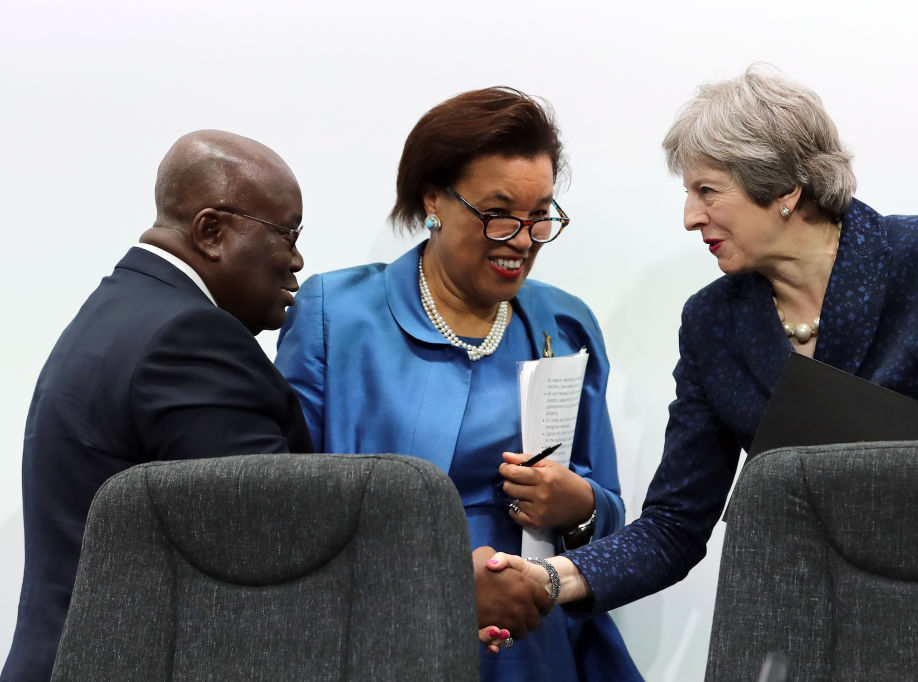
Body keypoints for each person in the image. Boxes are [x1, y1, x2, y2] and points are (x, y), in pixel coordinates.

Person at [486, 64, 918, 619]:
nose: (690, 217)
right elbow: (675, 525)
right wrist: (551, 577)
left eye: (707, 191)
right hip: (809, 621)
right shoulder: (712, 321)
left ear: (784, 188)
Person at [275, 87, 641, 681]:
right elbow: (285, 509)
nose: (521, 239)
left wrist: (578, 507)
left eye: (540, 216)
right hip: (381, 630)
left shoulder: (564, 323)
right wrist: (442, 582)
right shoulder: (335, 314)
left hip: (532, 641)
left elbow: (611, 520)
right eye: (499, 213)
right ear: (434, 200)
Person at [2, 130, 315, 682]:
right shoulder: (190, 338)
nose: (296, 259)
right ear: (212, 231)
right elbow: (271, 546)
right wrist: (435, 586)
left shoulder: (118, 311)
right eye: (288, 233)